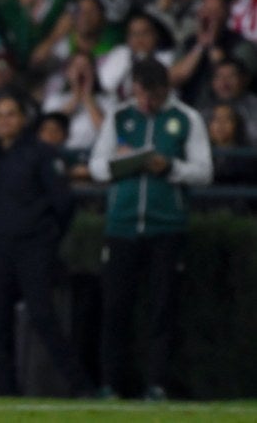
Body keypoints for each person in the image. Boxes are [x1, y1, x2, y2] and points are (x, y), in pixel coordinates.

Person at [89, 57, 213, 400]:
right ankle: (112, 384)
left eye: (153, 96)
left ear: (166, 90)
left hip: (166, 228)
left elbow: (204, 171)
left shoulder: (186, 118)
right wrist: (120, 162)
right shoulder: (119, 116)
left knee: (162, 310)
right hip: (122, 227)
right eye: (141, 94)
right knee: (115, 309)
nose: (146, 102)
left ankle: (157, 384)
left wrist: (169, 167)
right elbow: (97, 166)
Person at [0, 91, 91, 397]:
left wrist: (46, 238)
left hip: (32, 247)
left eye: (10, 114)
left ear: (24, 119)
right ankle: (3, 392)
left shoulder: (41, 153)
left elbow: (63, 202)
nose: (4, 121)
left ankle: (80, 386)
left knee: (43, 316)